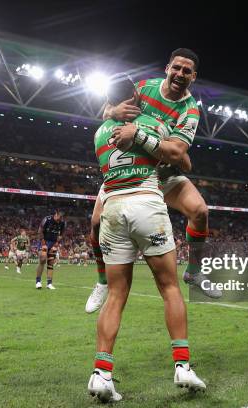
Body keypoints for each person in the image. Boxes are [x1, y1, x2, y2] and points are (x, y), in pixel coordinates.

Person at [87, 76, 206, 402]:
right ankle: (182, 365)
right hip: (145, 203)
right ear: (136, 94)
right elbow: (182, 160)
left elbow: (110, 124)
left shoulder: (98, 133)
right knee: (169, 287)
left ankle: (101, 373)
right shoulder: (153, 122)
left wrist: (114, 115)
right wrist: (148, 137)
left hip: (113, 207)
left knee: (116, 295)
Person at [85, 48, 221, 314]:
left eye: (186, 71)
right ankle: (101, 281)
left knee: (200, 211)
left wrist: (140, 135)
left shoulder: (190, 110)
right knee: (96, 223)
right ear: (167, 68)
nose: (180, 74)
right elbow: (106, 113)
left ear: (194, 77)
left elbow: (179, 154)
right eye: (176, 68)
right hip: (128, 171)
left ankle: (194, 272)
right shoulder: (144, 88)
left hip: (163, 172)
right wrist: (113, 109)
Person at [36, 210, 65, 290]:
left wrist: (56, 244)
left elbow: (62, 234)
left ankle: (49, 284)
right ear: (56, 214)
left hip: (53, 243)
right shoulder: (47, 219)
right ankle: (38, 281)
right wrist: (44, 244)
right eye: (59, 217)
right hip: (44, 241)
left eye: (61, 218)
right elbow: (40, 231)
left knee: (51, 262)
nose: (60, 220)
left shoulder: (62, 223)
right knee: (42, 259)